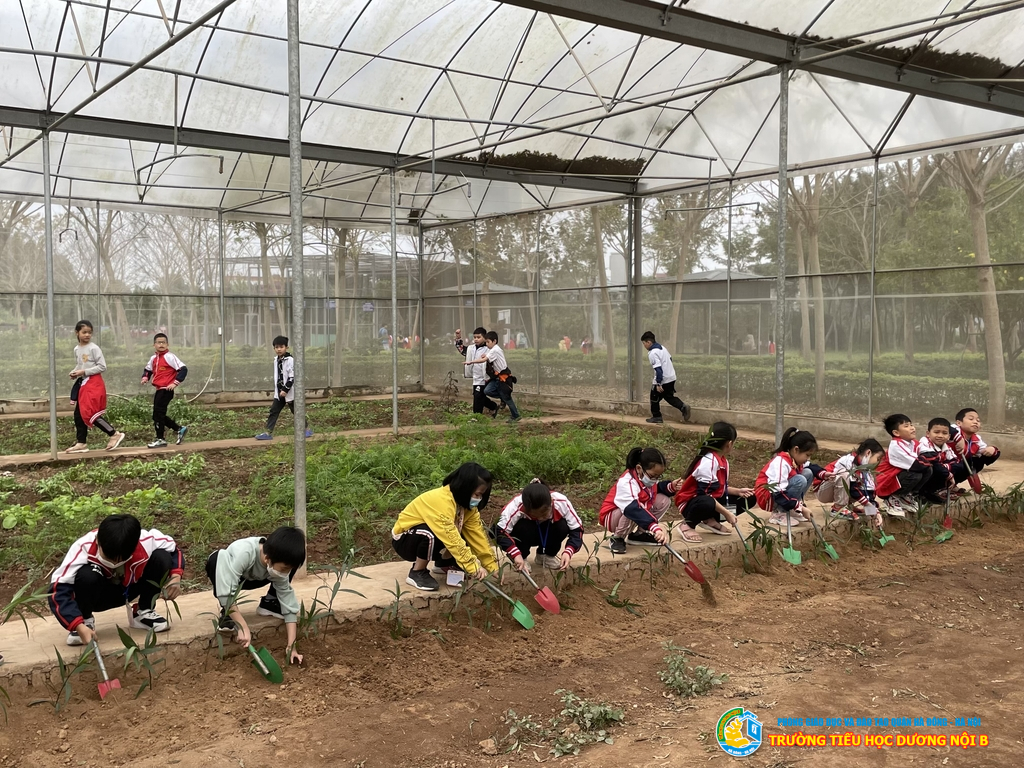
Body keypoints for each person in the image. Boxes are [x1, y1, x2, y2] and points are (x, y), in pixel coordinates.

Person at [49, 514, 183, 646]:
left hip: (129, 589)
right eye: (108, 557)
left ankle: (143, 611)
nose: (114, 563)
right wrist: (77, 624)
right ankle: (85, 621)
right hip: (98, 595)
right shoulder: (83, 548)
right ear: (97, 541)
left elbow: (174, 549)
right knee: (87, 575)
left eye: (121, 559)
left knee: (162, 557)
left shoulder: (146, 540)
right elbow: (58, 590)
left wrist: (176, 577)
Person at [205, 526, 306, 665]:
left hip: (255, 578)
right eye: (284, 568)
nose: (285, 573)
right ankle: (228, 613)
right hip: (228, 575)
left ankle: (270, 603)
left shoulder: (276, 562)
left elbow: (288, 602)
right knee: (216, 560)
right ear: (267, 558)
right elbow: (226, 592)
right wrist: (242, 626)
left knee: (284, 571)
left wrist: (291, 646)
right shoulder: (245, 553)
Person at [391, 462, 499, 591]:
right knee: (433, 534)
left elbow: (477, 535)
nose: (479, 499)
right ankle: (417, 571)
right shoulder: (441, 501)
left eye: (481, 495)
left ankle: (443, 563)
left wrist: (491, 565)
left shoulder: (467, 508)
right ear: (465, 488)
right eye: (477, 494)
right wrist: (472, 566)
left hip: (433, 535)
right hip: (405, 540)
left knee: (463, 531)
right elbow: (451, 538)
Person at [673, 422, 754, 543]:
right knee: (707, 502)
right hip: (691, 504)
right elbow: (704, 495)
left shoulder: (723, 461)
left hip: (709, 500)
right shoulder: (708, 462)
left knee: (750, 498)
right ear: (729, 443)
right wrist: (727, 513)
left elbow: (718, 488)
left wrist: (738, 491)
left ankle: (709, 519)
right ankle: (688, 524)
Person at [599, 447, 681, 555]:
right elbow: (632, 508)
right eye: (653, 476)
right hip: (613, 516)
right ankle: (618, 537)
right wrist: (654, 527)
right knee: (633, 508)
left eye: (658, 476)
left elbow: (655, 489)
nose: (655, 479)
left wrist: (671, 486)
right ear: (639, 468)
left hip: (633, 509)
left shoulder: (646, 477)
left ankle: (640, 535)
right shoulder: (627, 482)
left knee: (664, 500)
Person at [494, 479, 584, 571]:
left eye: (544, 514)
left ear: (551, 501)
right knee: (522, 526)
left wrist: (569, 551)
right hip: (526, 534)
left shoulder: (561, 501)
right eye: (535, 515)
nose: (541, 518)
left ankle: (546, 555)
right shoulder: (515, 506)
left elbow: (577, 529)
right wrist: (515, 554)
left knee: (562, 526)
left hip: (547, 533)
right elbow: (499, 532)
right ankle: (522, 557)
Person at [65, 320, 126, 453]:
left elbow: (102, 366)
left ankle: (114, 434)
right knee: (78, 414)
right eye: (84, 332)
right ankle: (81, 443)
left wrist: (84, 372)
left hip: (93, 383)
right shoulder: (77, 349)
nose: (87, 335)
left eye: (89, 332)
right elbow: (80, 365)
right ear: (77, 333)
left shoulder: (94, 348)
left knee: (90, 412)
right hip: (83, 383)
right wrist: (75, 372)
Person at [754, 427, 819, 527]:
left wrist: (824, 473)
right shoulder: (781, 463)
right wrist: (800, 507)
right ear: (796, 450)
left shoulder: (794, 460)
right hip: (769, 496)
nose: (808, 459)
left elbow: (812, 467)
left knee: (808, 473)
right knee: (800, 480)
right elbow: (777, 493)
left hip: (781, 494)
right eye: (807, 455)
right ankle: (778, 513)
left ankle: (791, 510)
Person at [815, 438, 884, 526]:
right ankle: (838, 508)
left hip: (836, 491)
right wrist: (868, 505)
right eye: (878, 459)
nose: (878, 463)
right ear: (868, 453)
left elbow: (869, 494)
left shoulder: (866, 471)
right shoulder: (848, 461)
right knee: (845, 475)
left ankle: (848, 506)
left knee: (861, 486)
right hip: (822, 490)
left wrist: (874, 513)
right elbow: (852, 489)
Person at [255, 336, 313, 440]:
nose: (279, 349)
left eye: (281, 347)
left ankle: (306, 429)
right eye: (276, 347)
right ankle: (268, 433)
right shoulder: (276, 360)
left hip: (289, 392)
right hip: (279, 393)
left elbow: (292, 377)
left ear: (286, 347)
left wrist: (286, 389)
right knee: (274, 411)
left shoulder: (290, 360)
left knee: (296, 411)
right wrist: (279, 390)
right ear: (274, 348)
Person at [875, 413, 932, 517]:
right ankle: (892, 499)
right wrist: (928, 459)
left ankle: (905, 497)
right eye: (906, 426)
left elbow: (929, 453)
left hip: (898, 477)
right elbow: (915, 464)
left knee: (928, 470)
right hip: (886, 482)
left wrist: (931, 458)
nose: (912, 428)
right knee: (916, 473)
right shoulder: (896, 446)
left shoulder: (913, 443)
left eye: (911, 425)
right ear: (896, 432)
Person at [141, 332, 189, 449]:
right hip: (159, 389)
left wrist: (175, 383)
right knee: (157, 415)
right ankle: (179, 428)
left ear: (167, 344)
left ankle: (160, 439)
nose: (161, 345)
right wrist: (145, 377)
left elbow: (183, 369)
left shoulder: (170, 357)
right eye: (158, 342)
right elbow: (148, 369)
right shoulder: (153, 358)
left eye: (163, 342)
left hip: (166, 390)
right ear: (154, 345)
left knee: (158, 414)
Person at [640, 331, 690, 424]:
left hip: (663, 379)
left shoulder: (653, 353)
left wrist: (658, 384)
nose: (644, 346)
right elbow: (670, 359)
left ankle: (657, 417)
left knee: (654, 397)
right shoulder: (662, 348)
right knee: (668, 396)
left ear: (649, 342)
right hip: (671, 377)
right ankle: (683, 407)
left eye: (644, 343)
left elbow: (658, 370)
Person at [469, 331, 521, 423]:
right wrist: (485, 356)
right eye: (486, 342)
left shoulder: (495, 350)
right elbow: (488, 357)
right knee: (487, 390)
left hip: (504, 377)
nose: (486, 344)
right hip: (497, 377)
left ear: (494, 341)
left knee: (507, 398)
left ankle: (515, 415)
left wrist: (471, 362)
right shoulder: (492, 350)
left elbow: (484, 360)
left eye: (488, 342)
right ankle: (502, 398)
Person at [454, 327, 498, 417]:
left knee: (478, 396)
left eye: (479, 337)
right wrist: (458, 338)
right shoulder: (471, 348)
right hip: (476, 377)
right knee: (478, 395)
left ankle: (476, 416)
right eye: (474, 337)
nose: (476, 339)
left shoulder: (488, 349)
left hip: (485, 377)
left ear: (484, 338)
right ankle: (493, 406)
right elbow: (462, 350)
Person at [950, 407, 1000, 485]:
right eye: (971, 419)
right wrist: (958, 438)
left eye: (978, 420)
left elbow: (984, 451)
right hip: (940, 463)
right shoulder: (953, 430)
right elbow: (947, 429)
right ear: (959, 423)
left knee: (977, 462)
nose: (975, 422)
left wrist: (993, 450)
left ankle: (951, 485)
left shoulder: (977, 439)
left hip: (957, 464)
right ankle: (937, 487)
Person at [918, 418, 960, 503]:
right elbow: (933, 463)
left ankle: (937, 490)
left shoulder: (946, 447)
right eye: (936, 432)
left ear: (949, 436)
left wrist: (945, 468)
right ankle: (921, 494)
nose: (940, 436)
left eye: (944, 433)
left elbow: (956, 462)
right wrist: (947, 472)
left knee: (960, 467)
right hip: (921, 474)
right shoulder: (924, 444)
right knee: (932, 469)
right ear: (928, 434)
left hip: (939, 469)